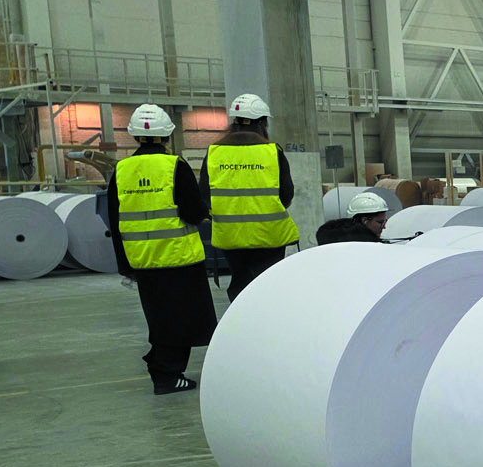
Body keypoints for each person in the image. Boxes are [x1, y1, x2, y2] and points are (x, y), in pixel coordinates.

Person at [107, 103, 216, 395]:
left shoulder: (121, 170)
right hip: (179, 258)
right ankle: (166, 374)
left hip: (143, 261)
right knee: (183, 320)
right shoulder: (174, 166)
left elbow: (115, 221)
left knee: (160, 318)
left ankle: (164, 369)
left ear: (134, 136)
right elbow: (193, 212)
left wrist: (125, 265)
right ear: (167, 134)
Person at [202, 93, 297, 300]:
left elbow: (204, 195)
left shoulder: (214, 152)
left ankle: (241, 317)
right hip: (269, 235)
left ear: (234, 122)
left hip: (231, 236)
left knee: (240, 285)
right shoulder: (272, 151)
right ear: (262, 122)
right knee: (269, 286)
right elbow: (287, 194)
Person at [316, 191, 388, 244]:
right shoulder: (364, 248)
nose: (384, 227)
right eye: (380, 222)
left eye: (385, 221)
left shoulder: (329, 240)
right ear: (365, 220)